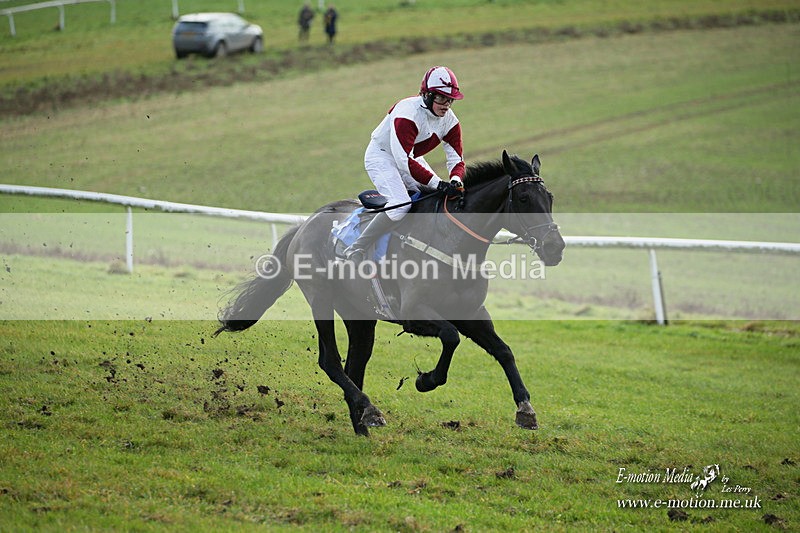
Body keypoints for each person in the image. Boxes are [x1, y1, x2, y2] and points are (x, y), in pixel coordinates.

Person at [344, 66, 466, 263]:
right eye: (442, 98)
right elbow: (403, 161)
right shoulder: (407, 113)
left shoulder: (450, 121)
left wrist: (455, 180)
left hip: (410, 157)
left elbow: (457, 159)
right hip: (382, 156)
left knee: (431, 196)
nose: (447, 105)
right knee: (400, 205)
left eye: (450, 99)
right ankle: (357, 248)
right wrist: (438, 183)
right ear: (427, 95)